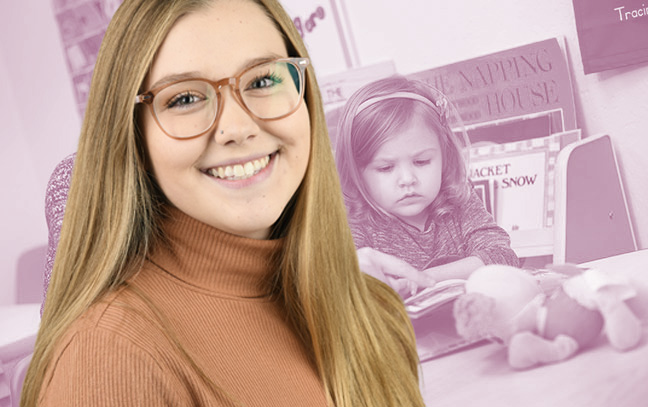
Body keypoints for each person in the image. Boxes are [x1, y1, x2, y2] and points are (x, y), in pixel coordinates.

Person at [21, 1, 425, 406]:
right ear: (135, 138)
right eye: (183, 99)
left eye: (263, 80)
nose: (237, 128)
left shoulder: (375, 313)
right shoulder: (109, 360)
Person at [335, 76, 519, 297]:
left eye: (421, 162)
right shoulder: (354, 220)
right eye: (385, 168)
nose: (407, 179)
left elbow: (501, 256)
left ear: (445, 153)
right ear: (356, 172)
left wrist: (421, 280)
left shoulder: (458, 195)